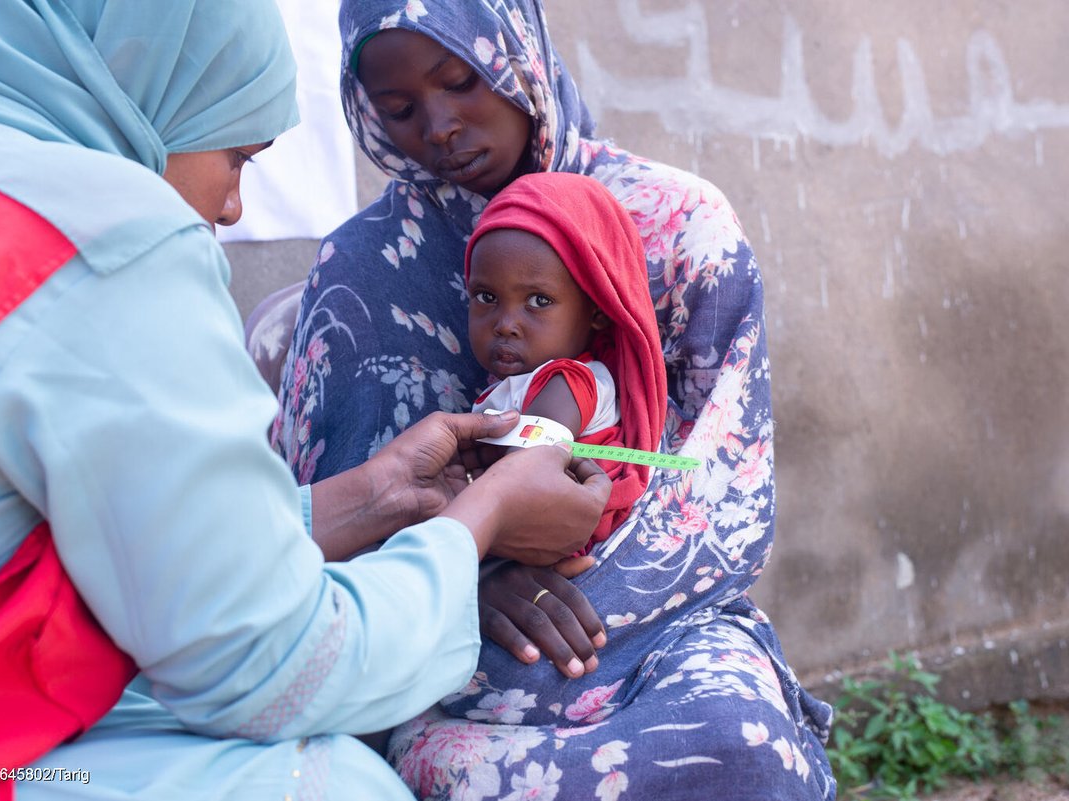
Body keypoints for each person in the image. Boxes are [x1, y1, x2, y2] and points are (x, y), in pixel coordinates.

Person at [0, 2, 613, 800]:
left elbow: (132, 532)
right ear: (146, 84)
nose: (231, 208)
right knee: (328, 783)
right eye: (238, 155)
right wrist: (482, 520)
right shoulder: (111, 242)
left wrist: (370, 496)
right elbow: (270, 663)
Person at [253, 0, 837, 797]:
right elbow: (316, 535)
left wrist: (581, 582)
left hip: (660, 621)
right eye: (398, 109)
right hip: (443, 648)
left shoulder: (678, 229)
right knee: (432, 773)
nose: (439, 126)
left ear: (517, 53)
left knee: (738, 740)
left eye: (461, 80)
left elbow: (725, 485)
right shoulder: (362, 273)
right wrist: (470, 569)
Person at [464, 171, 668, 548]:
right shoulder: (524, 383)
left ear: (597, 311)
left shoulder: (570, 383)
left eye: (538, 301)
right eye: (486, 297)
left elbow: (527, 472)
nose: (506, 325)